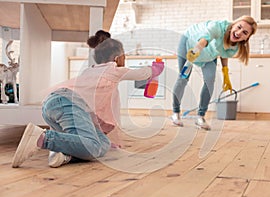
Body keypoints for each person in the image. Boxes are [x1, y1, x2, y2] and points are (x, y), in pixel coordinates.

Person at [12, 37, 164, 168]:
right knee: (92, 146)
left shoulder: (89, 71)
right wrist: (154, 69)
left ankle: (64, 154)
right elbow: (141, 73)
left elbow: (94, 104)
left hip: (55, 104)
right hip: (68, 104)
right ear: (118, 58)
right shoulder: (113, 70)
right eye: (124, 56)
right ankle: (43, 138)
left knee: (102, 143)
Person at [171, 15, 257, 130]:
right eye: (239, 27)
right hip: (190, 43)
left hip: (209, 53)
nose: (239, 32)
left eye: (245, 32)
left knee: (210, 81)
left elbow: (223, 53)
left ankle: (200, 117)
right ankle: (175, 113)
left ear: (246, 38)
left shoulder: (235, 47)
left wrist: (225, 72)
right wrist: (193, 55)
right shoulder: (218, 27)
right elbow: (204, 39)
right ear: (233, 25)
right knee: (183, 79)